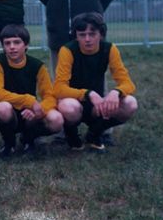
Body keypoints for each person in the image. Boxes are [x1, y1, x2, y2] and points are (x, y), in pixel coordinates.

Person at [54, 12, 138, 151]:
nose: (87, 39)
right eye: (82, 35)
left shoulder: (109, 49)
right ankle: (72, 137)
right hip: (75, 101)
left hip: (97, 105)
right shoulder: (67, 50)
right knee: (68, 107)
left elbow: (128, 83)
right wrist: (88, 93)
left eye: (92, 34)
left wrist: (116, 92)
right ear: (76, 36)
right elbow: (59, 88)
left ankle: (94, 133)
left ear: (101, 34)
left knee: (130, 103)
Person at [0, 24, 63, 157]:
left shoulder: (37, 65)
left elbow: (50, 96)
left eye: (17, 42)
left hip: (29, 114)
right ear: (3, 46)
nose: (12, 47)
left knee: (56, 120)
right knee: (3, 108)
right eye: (7, 43)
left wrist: (39, 109)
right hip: (9, 112)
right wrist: (28, 100)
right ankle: (9, 142)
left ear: (26, 45)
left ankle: (29, 139)